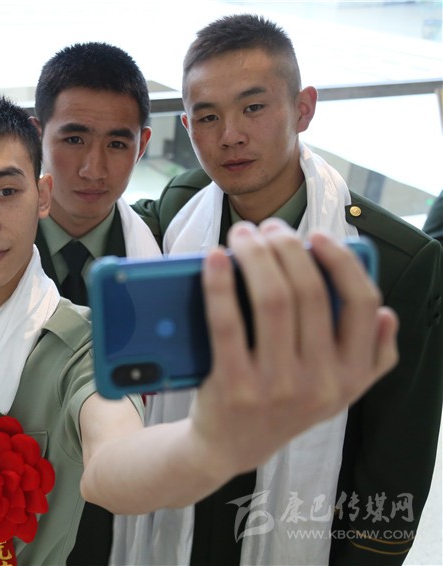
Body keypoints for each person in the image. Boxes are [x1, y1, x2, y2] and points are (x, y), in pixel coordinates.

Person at [0, 90, 398, 564]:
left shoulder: (85, 346)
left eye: (6, 191)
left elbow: (112, 464)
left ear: (42, 196)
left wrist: (209, 444)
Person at [120, 14, 443, 565]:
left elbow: (395, 467)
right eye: (208, 116)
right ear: (188, 126)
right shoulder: (181, 212)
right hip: (188, 514)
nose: (230, 135)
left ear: (303, 108)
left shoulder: (396, 264)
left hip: (303, 526)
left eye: (253, 107)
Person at [0, 44, 159, 562]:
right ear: (38, 134)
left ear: (143, 144)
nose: (93, 168)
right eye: (73, 138)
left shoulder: (162, 247)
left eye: (117, 143)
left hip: (112, 531)